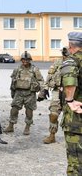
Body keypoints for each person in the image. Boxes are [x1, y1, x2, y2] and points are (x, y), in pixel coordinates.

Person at [4, 51, 44, 135]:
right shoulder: (17, 69)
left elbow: (41, 81)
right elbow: (13, 81)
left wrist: (42, 92)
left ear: (30, 60)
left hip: (30, 93)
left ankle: (27, 126)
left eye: (27, 59)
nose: (25, 61)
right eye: (23, 59)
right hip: (18, 93)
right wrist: (12, 92)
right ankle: (11, 125)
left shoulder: (34, 69)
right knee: (14, 110)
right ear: (21, 60)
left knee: (29, 111)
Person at [37, 47, 70, 144]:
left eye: (67, 55)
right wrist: (44, 90)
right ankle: (52, 135)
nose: (65, 57)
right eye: (64, 55)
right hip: (57, 91)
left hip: (72, 92)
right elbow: (49, 77)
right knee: (53, 114)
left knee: (72, 116)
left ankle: (73, 137)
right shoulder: (57, 63)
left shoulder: (77, 62)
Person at [60, 32, 82, 175]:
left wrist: (70, 100)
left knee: (75, 163)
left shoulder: (72, 61)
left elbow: (69, 81)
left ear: (70, 46)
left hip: (76, 121)